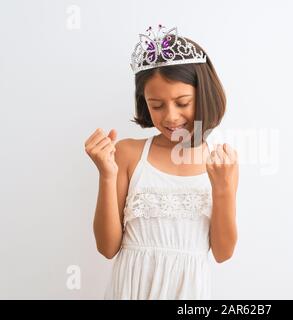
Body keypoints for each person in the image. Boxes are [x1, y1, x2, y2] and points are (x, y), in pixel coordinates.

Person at [84, 24, 239, 299]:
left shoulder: (219, 163)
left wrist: (223, 188)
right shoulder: (129, 154)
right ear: (144, 103)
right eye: (156, 105)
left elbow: (223, 253)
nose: (170, 117)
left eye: (182, 103)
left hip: (188, 292)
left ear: (203, 96)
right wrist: (107, 175)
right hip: (131, 289)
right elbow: (107, 247)